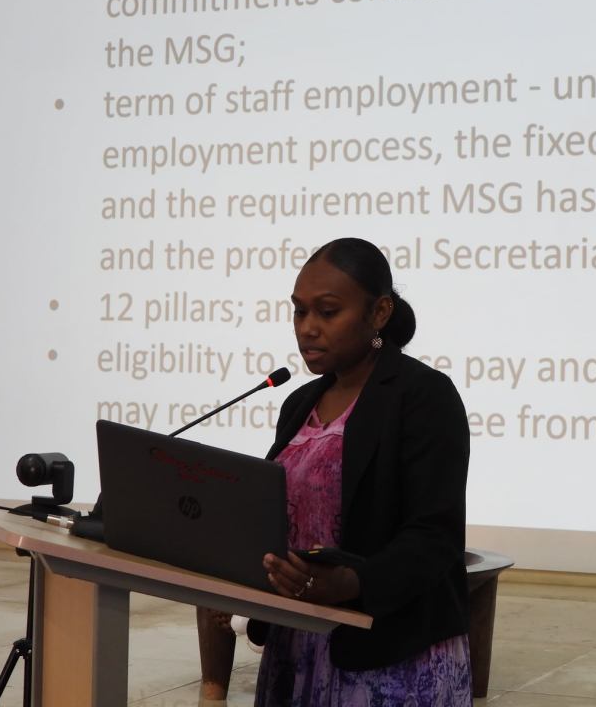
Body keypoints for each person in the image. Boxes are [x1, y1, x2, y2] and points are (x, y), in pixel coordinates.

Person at [197, 237, 472, 706]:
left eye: (327, 312)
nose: (308, 328)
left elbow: (434, 536)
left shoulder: (422, 395)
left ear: (379, 312)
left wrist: (348, 583)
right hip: (296, 644)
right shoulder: (299, 403)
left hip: (389, 655)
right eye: (299, 311)